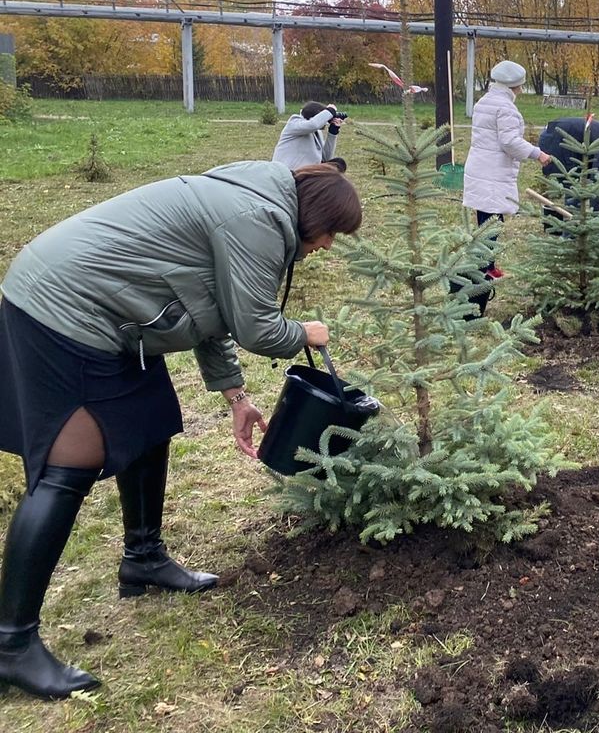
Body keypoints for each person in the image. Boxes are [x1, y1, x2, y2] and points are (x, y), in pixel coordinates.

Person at [0, 162, 361, 698]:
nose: (328, 246)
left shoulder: (256, 206)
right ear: (312, 215)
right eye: (331, 233)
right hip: (67, 308)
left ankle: (143, 559)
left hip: (117, 316)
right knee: (65, 468)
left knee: (149, 426)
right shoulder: (258, 218)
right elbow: (257, 325)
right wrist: (305, 332)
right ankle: (12, 645)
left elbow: (211, 308)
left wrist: (237, 396)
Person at [462, 60, 552, 279]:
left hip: (481, 168)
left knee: (486, 219)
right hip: (492, 172)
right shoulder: (505, 107)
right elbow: (509, 141)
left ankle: (486, 265)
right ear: (516, 86)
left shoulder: (485, 101)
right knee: (492, 222)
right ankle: (485, 269)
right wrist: (537, 153)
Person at [272, 100, 347, 168]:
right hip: (285, 174)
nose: (326, 122)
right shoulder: (294, 123)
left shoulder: (316, 132)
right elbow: (313, 124)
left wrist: (333, 131)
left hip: (305, 176)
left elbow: (325, 158)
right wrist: (330, 111)